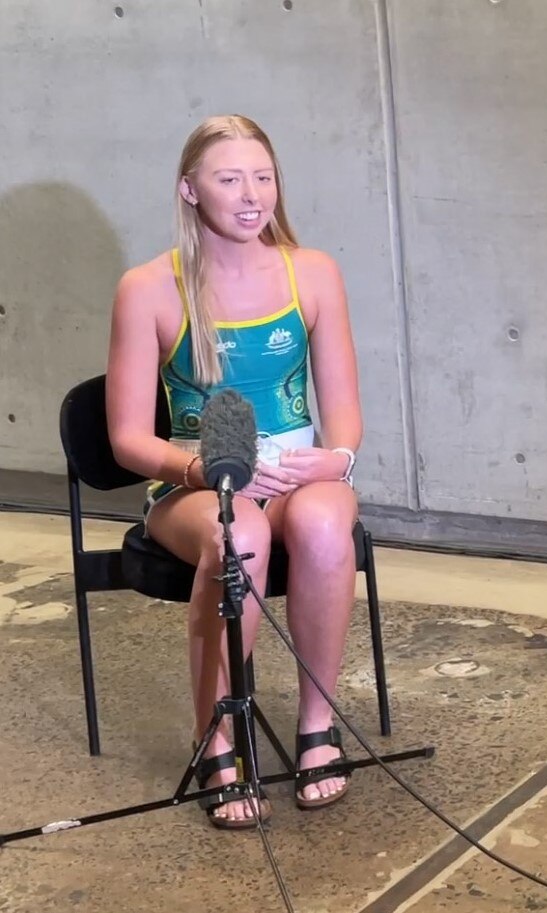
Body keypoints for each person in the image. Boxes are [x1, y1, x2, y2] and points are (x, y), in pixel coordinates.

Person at [105, 115, 363, 829]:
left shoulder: (313, 272)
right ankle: (216, 739)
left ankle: (318, 726)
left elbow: (344, 413)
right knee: (238, 536)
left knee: (322, 521)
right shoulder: (147, 288)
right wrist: (208, 471)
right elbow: (127, 439)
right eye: (230, 179)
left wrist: (337, 457)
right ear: (190, 190)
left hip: (298, 471)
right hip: (196, 479)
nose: (252, 196)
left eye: (263, 177)